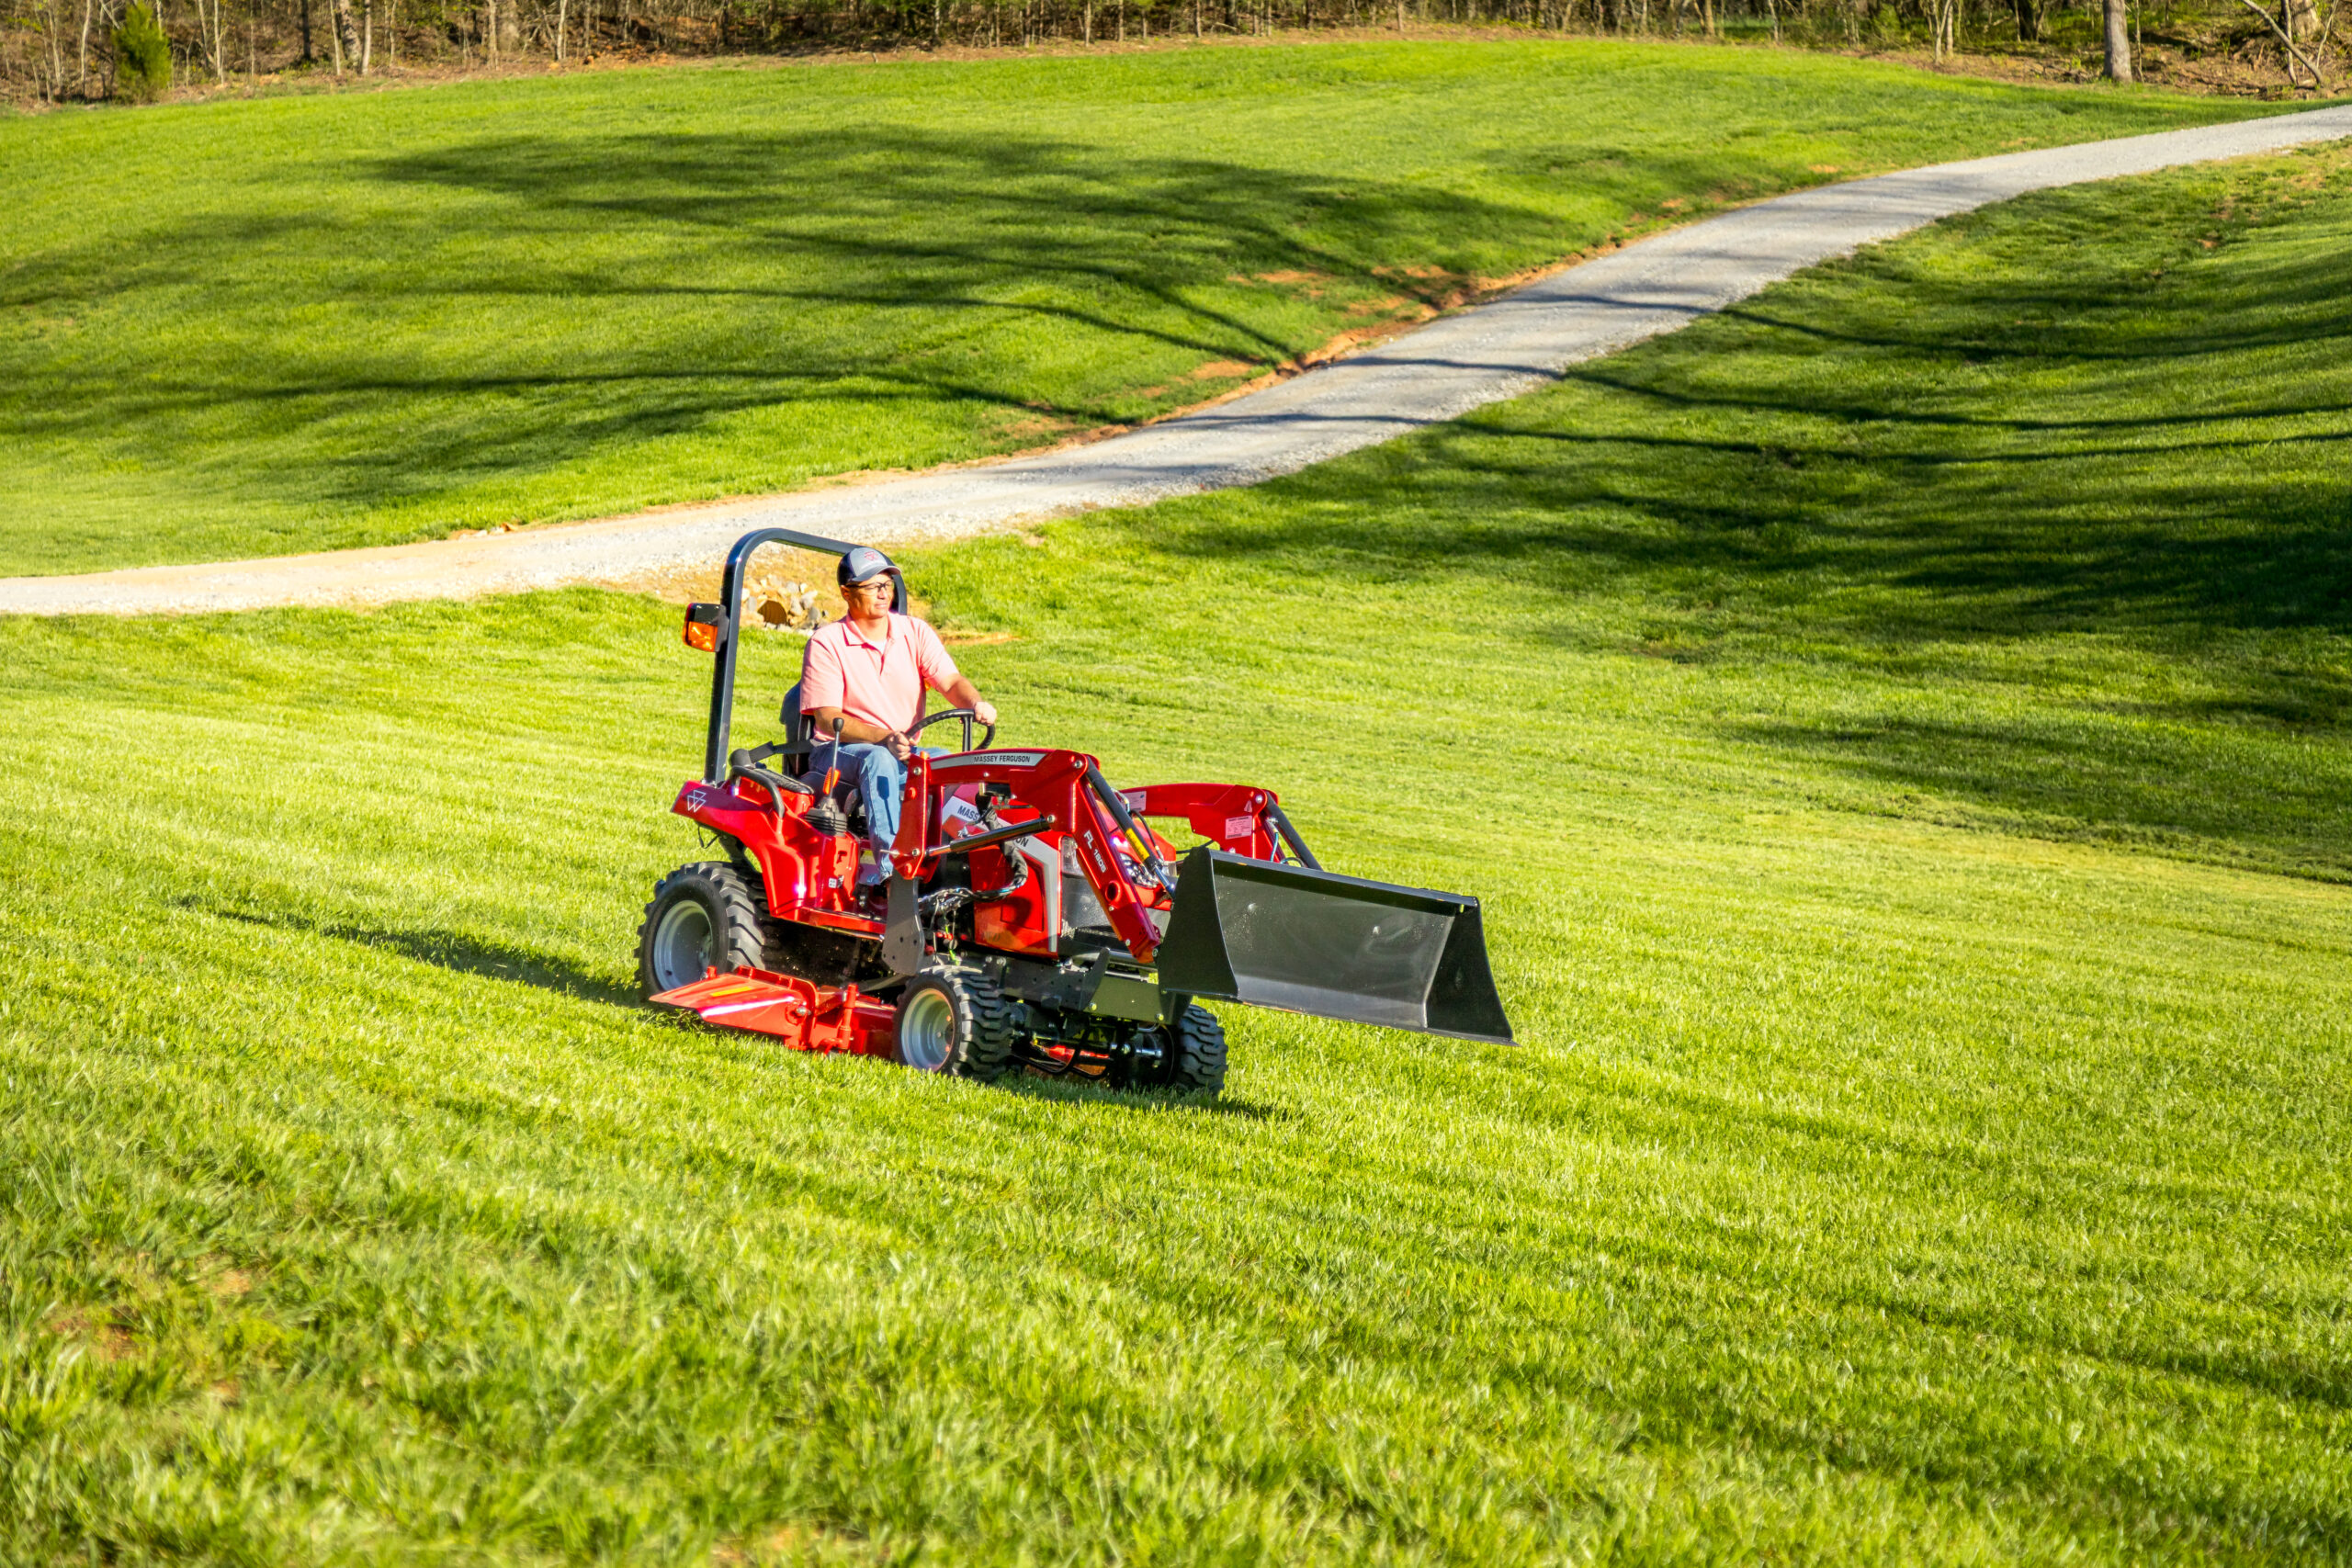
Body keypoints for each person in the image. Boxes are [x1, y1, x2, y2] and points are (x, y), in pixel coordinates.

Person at [799, 546, 998, 889]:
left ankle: (952, 866)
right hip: (837, 751)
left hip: (903, 751)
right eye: (872, 586)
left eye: (887, 585)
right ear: (847, 593)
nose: (882, 592)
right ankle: (895, 874)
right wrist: (884, 738)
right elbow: (827, 717)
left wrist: (976, 703)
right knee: (879, 760)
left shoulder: (914, 632)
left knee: (945, 763)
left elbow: (950, 682)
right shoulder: (827, 642)